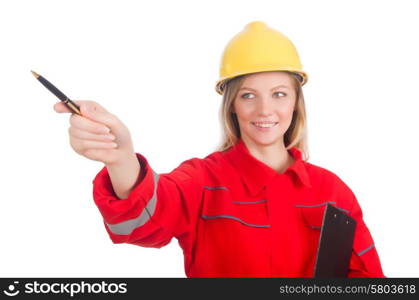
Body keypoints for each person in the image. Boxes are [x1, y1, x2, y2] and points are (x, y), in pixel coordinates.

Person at [54, 21, 385, 278]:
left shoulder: (333, 193)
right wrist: (121, 157)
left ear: (297, 102)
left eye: (280, 94)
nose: (264, 110)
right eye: (248, 95)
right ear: (232, 106)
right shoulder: (202, 180)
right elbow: (142, 222)